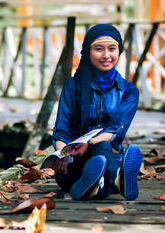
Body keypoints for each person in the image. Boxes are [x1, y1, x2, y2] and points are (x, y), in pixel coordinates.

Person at [51, 24, 142, 201]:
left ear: (119, 51)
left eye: (112, 49)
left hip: (107, 156)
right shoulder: (72, 86)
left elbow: (114, 129)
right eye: (99, 49)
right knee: (99, 162)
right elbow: (61, 130)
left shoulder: (129, 91)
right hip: (74, 162)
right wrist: (62, 156)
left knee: (103, 148)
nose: (106, 55)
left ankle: (96, 187)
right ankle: (115, 180)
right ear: (87, 51)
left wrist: (89, 144)